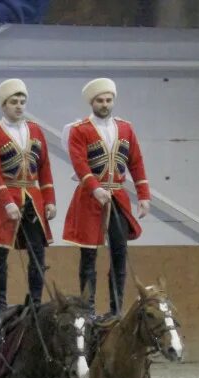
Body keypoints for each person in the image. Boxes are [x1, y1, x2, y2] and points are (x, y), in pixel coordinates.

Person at [62, 77, 151, 316]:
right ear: (92, 102)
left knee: (119, 254)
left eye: (108, 100)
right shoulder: (79, 130)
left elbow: (136, 161)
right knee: (89, 255)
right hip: (89, 198)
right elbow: (79, 162)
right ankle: (88, 309)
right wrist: (94, 187)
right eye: (100, 100)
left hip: (118, 197)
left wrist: (144, 195)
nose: (105, 104)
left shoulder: (126, 128)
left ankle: (116, 308)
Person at [0, 79, 56, 315]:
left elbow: (44, 168)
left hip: (33, 196)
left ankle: (36, 302)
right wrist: (7, 202)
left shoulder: (37, 131)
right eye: (14, 102)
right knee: (0, 252)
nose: (19, 106)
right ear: (4, 105)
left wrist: (49, 199)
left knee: (38, 254)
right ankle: (0, 304)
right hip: (5, 198)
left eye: (22, 101)